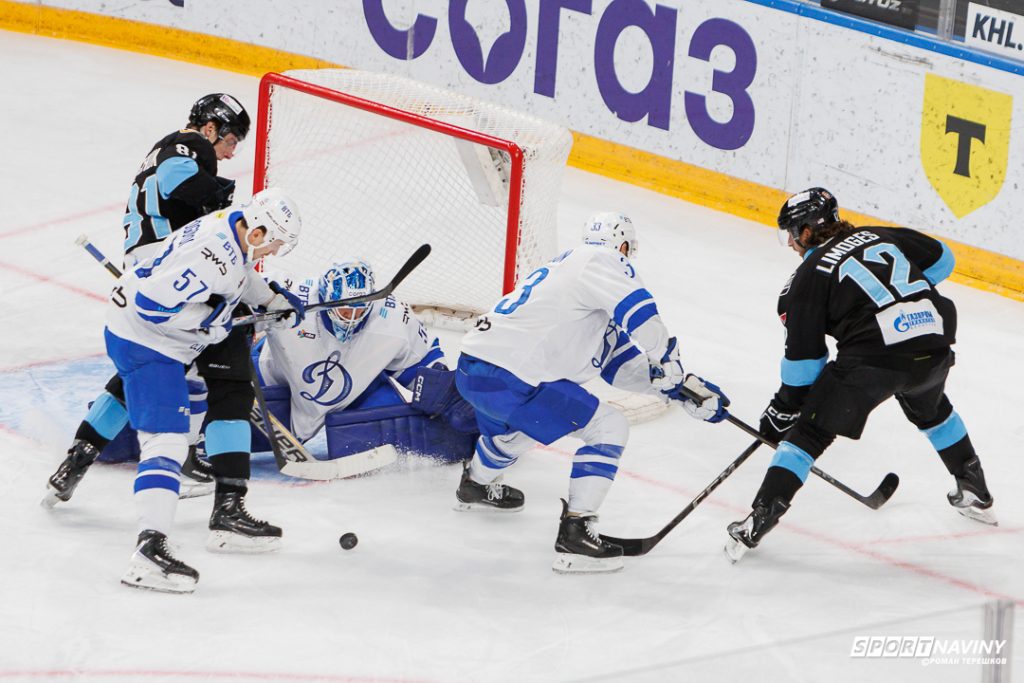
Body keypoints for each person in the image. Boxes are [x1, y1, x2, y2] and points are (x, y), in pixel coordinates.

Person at [725, 187, 995, 563]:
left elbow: (805, 364)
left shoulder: (807, 278)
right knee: (932, 409)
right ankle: (974, 488)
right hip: (934, 342)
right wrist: (901, 301)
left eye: (791, 233)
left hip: (875, 359)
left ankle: (758, 520)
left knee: (809, 432)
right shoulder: (877, 235)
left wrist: (784, 409)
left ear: (806, 231)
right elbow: (943, 258)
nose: (789, 243)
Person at [454, 211, 729, 574]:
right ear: (624, 247)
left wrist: (680, 390)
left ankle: (475, 484)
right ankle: (576, 533)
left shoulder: (572, 285)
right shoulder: (601, 259)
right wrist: (668, 359)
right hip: (512, 376)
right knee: (609, 427)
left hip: (473, 371)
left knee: (524, 429)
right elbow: (640, 313)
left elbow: (622, 366)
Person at [43, 93, 249, 505]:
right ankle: (187, 465)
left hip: (145, 273)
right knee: (207, 365)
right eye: (229, 142)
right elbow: (177, 181)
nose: (228, 154)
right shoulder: (190, 144)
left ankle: (77, 458)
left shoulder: (167, 148)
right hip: (169, 272)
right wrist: (222, 199)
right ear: (210, 128)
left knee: (139, 370)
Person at [107, 187, 305, 593]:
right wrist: (211, 321)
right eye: (275, 243)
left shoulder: (233, 224)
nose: (274, 251)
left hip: (155, 337)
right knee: (165, 441)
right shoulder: (212, 255)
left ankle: (219, 518)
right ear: (258, 232)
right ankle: (147, 552)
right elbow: (153, 307)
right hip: (146, 341)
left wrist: (270, 300)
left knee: (193, 403)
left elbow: (240, 276)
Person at [255, 257, 472, 446]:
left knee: (404, 419)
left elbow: (424, 363)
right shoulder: (293, 295)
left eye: (359, 310)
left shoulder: (392, 317)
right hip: (278, 372)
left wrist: (445, 392)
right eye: (345, 310)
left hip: (357, 389)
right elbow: (247, 287)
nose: (351, 318)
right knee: (243, 414)